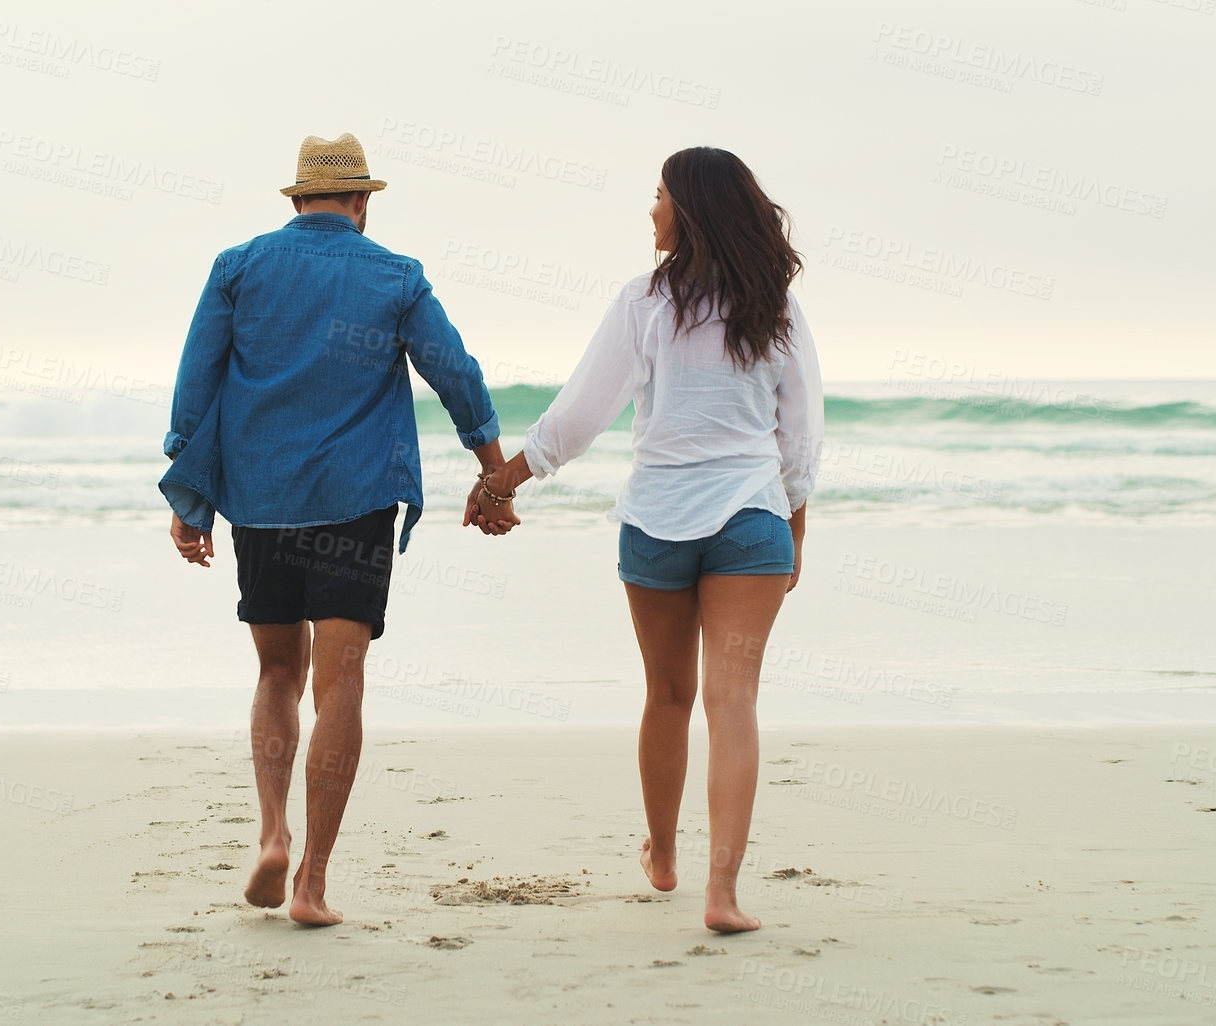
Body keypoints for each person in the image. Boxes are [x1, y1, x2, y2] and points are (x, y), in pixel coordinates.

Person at [161, 133, 514, 926]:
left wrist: (189, 499)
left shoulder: (238, 267)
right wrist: (492, 472)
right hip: (356, 501)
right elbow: (454, 372)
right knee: (340, 682)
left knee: (276, 675)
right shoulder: (395, 276)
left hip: (261, 500)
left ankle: (272, 833)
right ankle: (312, 884)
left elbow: (197, 383)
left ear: (296, 202)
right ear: (361, 203)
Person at [471, 146, 822, 933]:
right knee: (733, 704)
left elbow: (580, 413)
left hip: (657, 522)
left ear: (689, 209)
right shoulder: (777, 306)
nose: (651, 209)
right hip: (749, 520)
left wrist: (505, 480)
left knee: (667, 696)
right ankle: (722, 895)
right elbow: (800, 430)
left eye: (658, 195)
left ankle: (661, 856)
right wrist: (793, 515)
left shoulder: (644, 301)